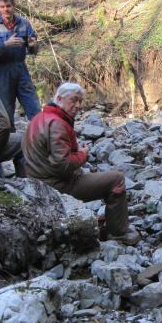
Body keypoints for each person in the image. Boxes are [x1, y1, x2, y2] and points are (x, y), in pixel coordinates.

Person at [22, 83, 140, 245]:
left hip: (37, 181)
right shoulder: (57, 124)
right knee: (117, 179)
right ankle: (118, 233)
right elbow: (62, 164)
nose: (77, 105)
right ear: (59, 98)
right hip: (55, 185)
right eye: (74, 100)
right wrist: (82, 155)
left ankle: (106, 222)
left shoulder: (40, 118)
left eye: (80, 102)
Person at [0, 0, 41, 130]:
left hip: (21, 70)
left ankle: (41, 142)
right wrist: (5, 45)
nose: (6, 9)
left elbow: (34, 50)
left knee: (34, 108)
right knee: (4, 114)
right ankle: (8, 145)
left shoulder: (24, 23)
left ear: (14, 6)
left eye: (8, 6)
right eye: (2, 6)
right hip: (1, 72)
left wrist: (33, 45)